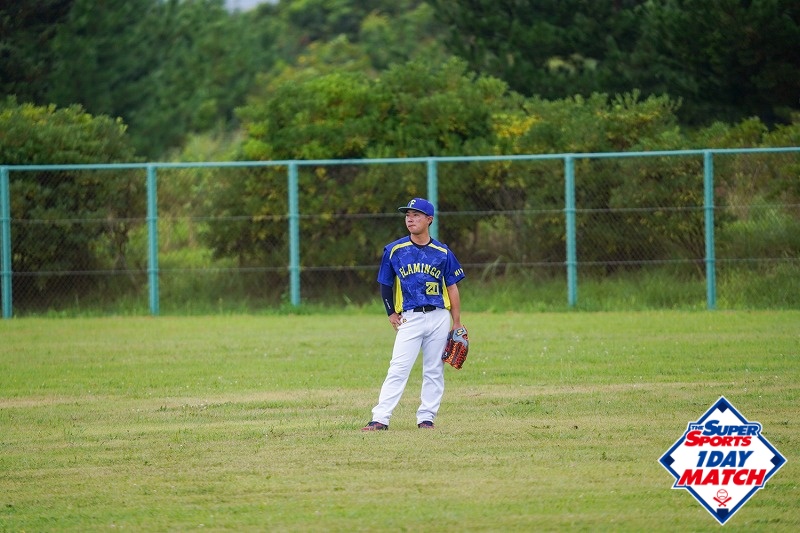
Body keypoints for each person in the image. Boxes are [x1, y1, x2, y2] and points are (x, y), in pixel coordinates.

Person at [362, 198, 465, 431]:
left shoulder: (442, 252)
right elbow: (385, 284)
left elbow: (452, 287)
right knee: (398, 367)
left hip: (439, 316)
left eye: (416, 215)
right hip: (410, 317)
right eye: (408, 215)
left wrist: (457, 322)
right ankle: (380, 418)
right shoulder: (394, 250)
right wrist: (391, 312)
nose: (410, 219)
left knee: (434, 370)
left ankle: (426, 418)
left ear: (429, 219)